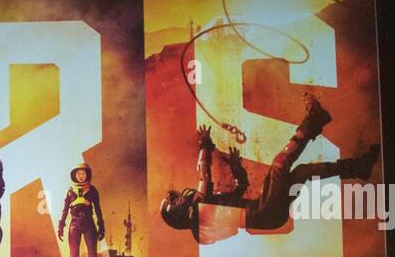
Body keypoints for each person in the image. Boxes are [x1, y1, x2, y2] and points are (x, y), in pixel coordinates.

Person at [159, 94, 380, 241]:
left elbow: (241, 187)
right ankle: (314, 120)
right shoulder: (198, 218)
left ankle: (357, 167)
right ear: (178, 212)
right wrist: (205, 146)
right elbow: (204, 180)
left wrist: (236, 169)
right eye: (176, 200)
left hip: (266, 212)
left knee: (301, 171)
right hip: (265, 212)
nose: (181, 196)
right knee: (280, 164)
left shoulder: (207, 215)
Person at [56, 164, 105, 257]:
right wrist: (61, 225)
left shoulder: (92, 190)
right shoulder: (70, 190)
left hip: (89, 224)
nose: (81, 176)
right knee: (74, 256)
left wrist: (101, 225)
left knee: (92, 254)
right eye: (78, 174)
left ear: (87, 174)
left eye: (83, 173)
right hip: (74, 225)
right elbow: (65, 210)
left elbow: (98, 210)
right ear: (74, 175)